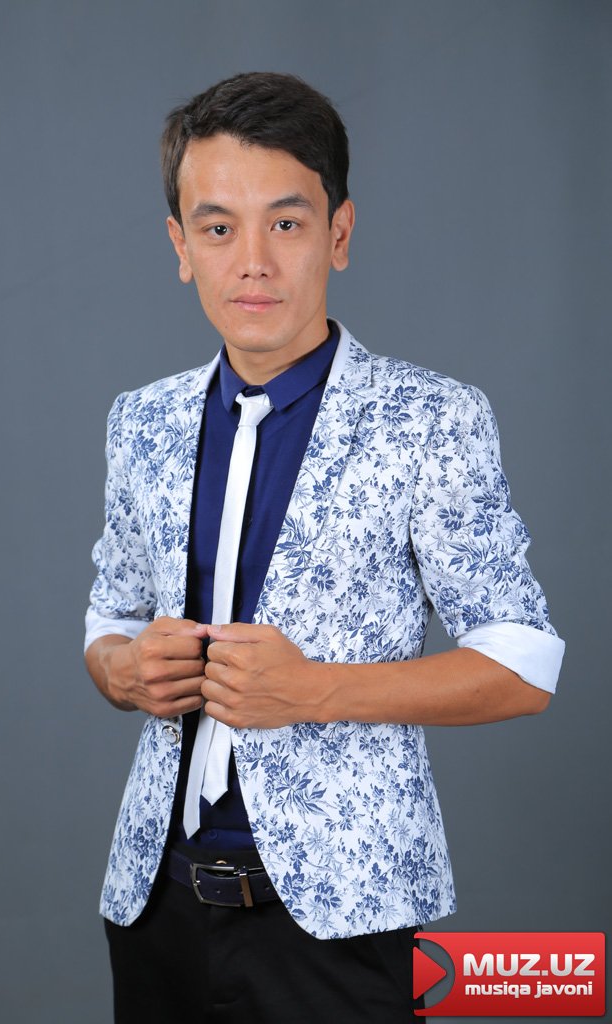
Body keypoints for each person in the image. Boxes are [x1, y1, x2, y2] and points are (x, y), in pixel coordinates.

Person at [84, 72, 564, 1023]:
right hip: (156, 903)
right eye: (218, 228)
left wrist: (317, 691)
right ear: (180, 247)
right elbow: (110, 619)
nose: (252, 262)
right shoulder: (141, 422)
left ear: (338, 233)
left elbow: (523, 665)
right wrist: (124, 671)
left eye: (286, 222)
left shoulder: (430, 420)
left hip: (341, 920)